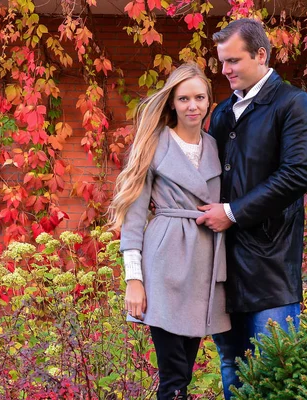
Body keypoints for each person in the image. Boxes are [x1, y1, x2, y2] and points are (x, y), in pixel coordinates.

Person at [195, 18, 307, 399]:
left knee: (278, 377)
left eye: (233, 61)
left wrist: (231, 212)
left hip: (271, 273)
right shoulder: (221, 113)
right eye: (222, 62)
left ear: (261, 54)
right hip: (224, 271)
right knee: (232, 370)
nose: (225, 70)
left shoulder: (294, 104)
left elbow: (296, 175)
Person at [109, 63, 230, 400]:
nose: (193, 105)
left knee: (184, 372)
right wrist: (135, 280)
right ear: (172, 103)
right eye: (184, 98)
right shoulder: (153, 143)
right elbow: (133, 220)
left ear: (209, 102)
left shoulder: (217, 147)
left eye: (200, 98)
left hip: (205, 265)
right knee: (174, 375)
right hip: (164, 264)